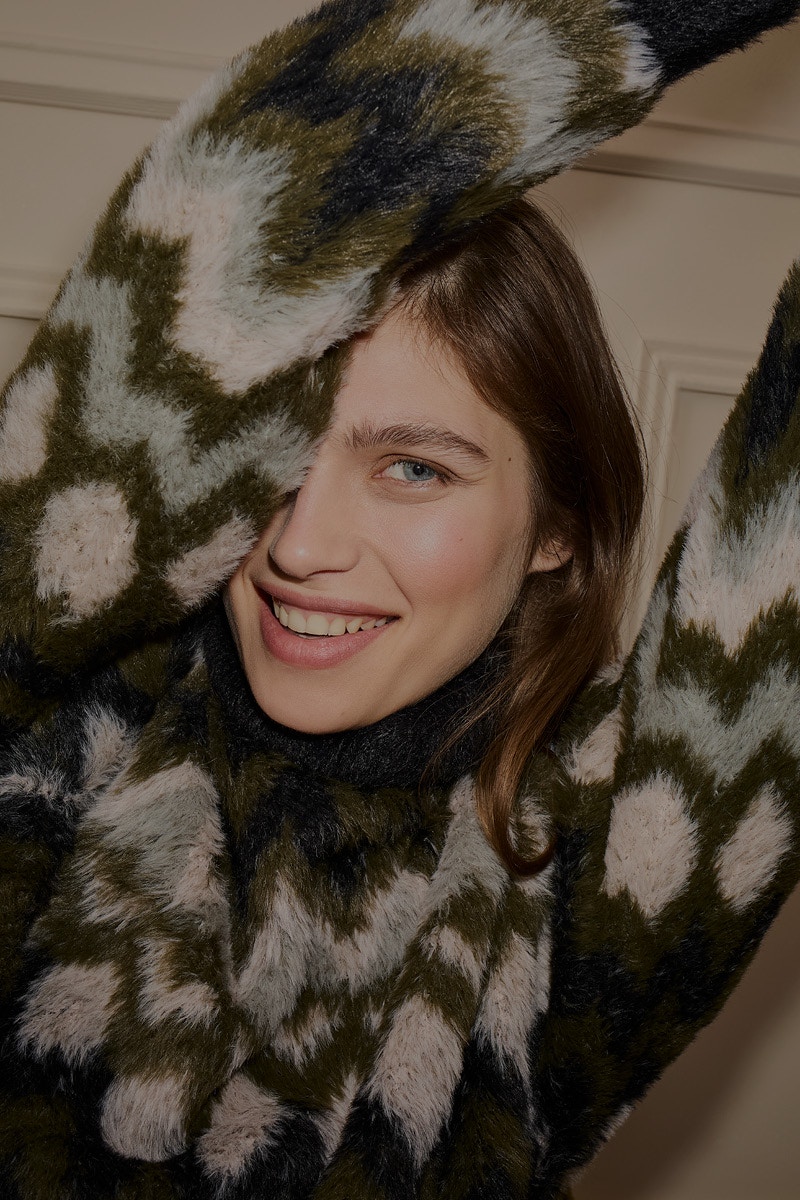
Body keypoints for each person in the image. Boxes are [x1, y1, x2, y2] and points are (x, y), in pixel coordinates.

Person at [0, 2, 799, 1198]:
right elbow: (224, 215)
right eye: (270, 460)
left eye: (413, 468)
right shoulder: (54, 718)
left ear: (556, 526)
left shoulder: (582, 885)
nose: (299, 544)